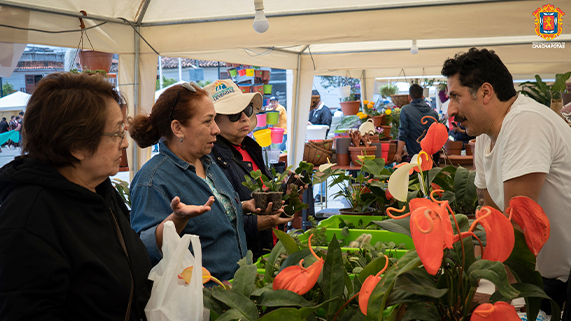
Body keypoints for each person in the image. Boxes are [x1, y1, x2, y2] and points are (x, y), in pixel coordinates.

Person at [0, 72, 152, 320]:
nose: (125, 143)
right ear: (77, 145)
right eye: (116, 133)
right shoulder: (28, 219)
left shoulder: (100, 190)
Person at [442, 47, 571, 315]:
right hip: (545, 273)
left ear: (486, 92)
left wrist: (495, 290)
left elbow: (518, 228)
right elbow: (491, 220)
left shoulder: (525, 124)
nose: (450, 109)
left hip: (563, 276)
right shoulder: (486, 135)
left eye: (455, 96)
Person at [129, 82, 264, 282]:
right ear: (178, 128)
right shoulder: (152, 180)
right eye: (208, 121)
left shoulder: (208, 163)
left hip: (236, 294)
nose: (216, 129)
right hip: (202, 304)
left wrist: (242, 206)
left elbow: (211, 215)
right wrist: (176, 220)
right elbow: (142, 251)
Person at [204, 80, 293, 261]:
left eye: (247, 110)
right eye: (235, 114)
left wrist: (286, 191)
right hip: (246, 257)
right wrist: (258, 223)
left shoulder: (249, 146)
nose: (245, 117)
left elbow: (259, 194)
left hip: (267, 248)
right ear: (213, 119)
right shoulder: (209, 159)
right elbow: (216, 219)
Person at [394, 84, 440, 164]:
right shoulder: (434, 113)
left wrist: (398, 154)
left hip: (417, 157)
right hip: (433, 156)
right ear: (422, 97)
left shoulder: (405, 110)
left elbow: (403, 133)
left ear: (409, 97)